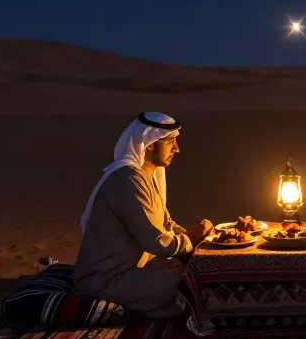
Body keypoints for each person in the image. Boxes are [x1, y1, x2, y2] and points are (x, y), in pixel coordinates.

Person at [74, 112, 214, 318]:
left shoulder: (146, 176)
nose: (177, 149)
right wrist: (191, 239)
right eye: (170, 142)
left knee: (195, 274)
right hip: (106, 280)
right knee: (193, 285)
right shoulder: (128, 180)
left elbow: (166, 224)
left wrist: (200, 240)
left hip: (133, 271)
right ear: (150, 144)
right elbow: (156, 242)